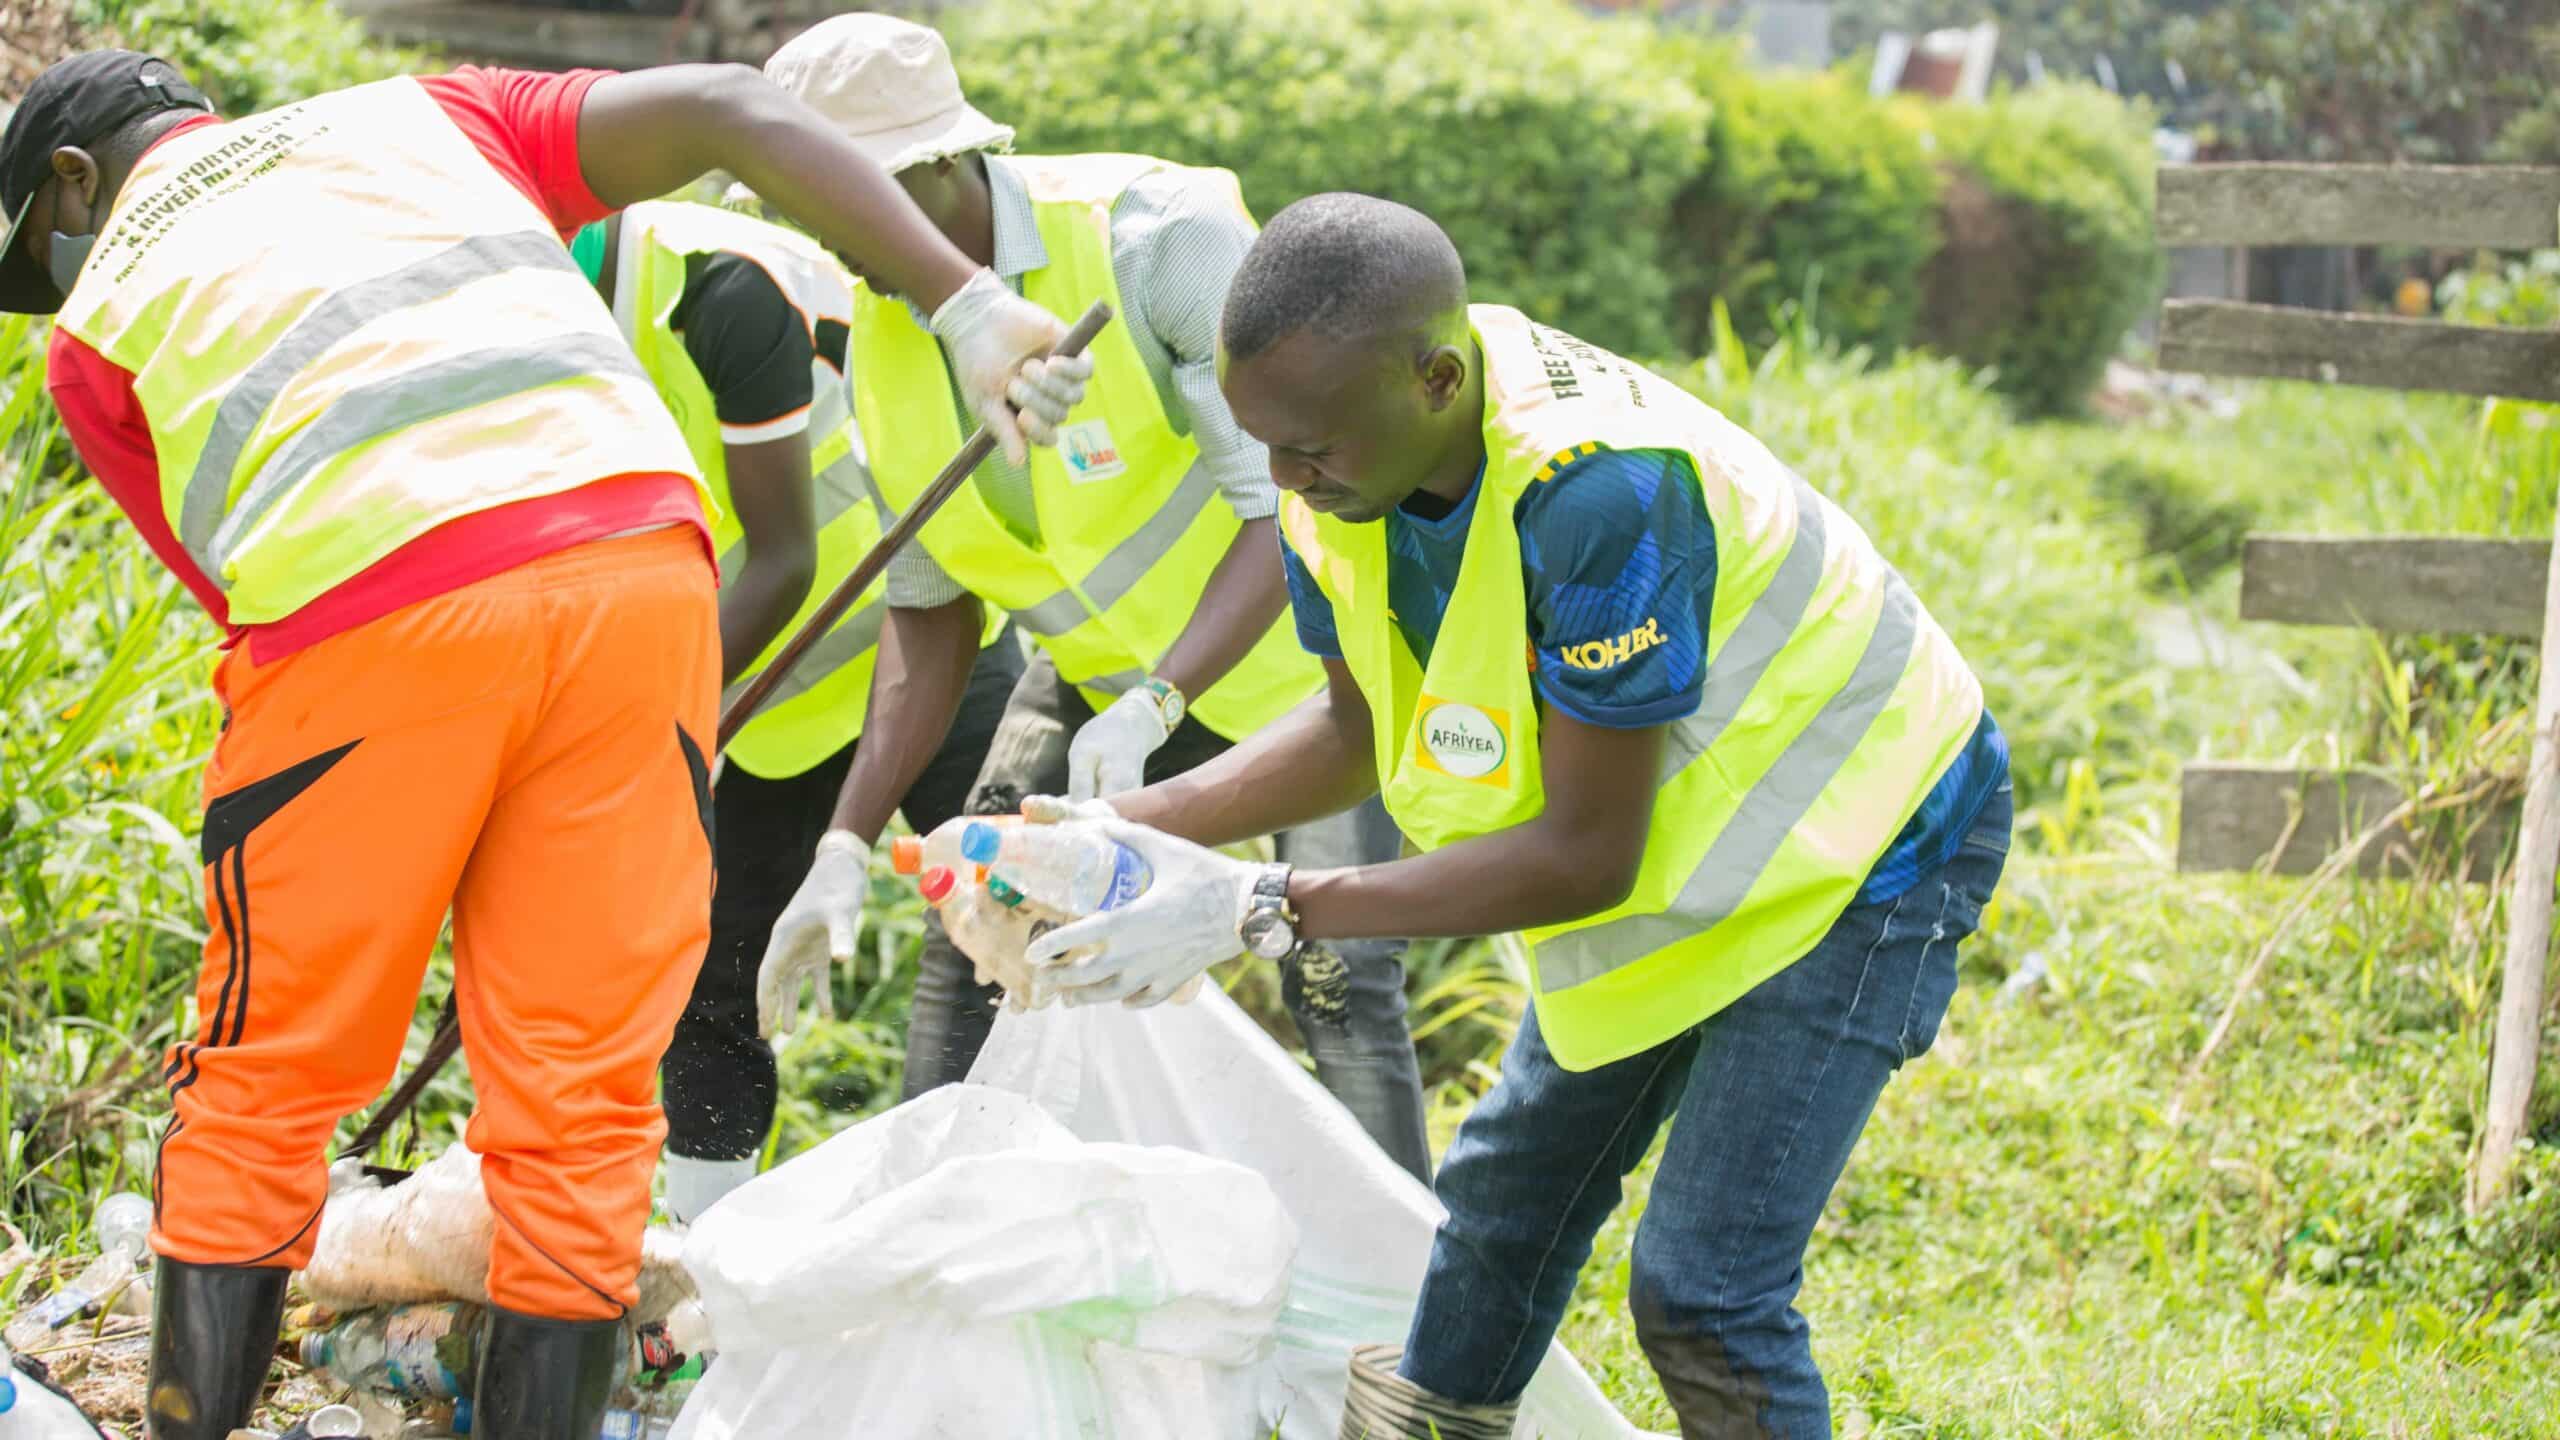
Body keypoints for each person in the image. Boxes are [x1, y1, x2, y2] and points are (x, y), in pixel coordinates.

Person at [0, 50, 1082, 1439]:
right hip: (642, 576)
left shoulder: (95, 331)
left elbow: (255, 620)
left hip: (367, 610)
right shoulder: (425, 115)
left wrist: (418, 827)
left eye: (39, 246)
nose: (58, 279)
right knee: (579, 1093)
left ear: (73, 177)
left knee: (262, 1078)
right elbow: (734, 108)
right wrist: (970, 303)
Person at [978, 195, 2014, 1440]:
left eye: (1308, 451)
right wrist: (1136, 830)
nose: (1284, 483)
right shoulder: (1339, 464)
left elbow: (1584, 856)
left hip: (1869, 848)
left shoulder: (1599, 490)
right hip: (1684, 838)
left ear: (1436, 379)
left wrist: (1261, 907)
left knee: (1703, 1295)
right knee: (1503, 1205)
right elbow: (1359, 729)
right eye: (1268, 447)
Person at [750, 13, 1433, 1180]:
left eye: (832, 202)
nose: (825, 239)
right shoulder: (876, 335)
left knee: (1333, 973)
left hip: (1319, 670)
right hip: (1104, 679)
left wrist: (1160, 704)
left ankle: (1423, 1313)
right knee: (982, 911)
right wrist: (846, 842)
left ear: (933, 169)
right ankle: (937, 1241)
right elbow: (929, 609)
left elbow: (1291, 508)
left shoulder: (1153, 242)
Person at [567, 201, 1023, 1222]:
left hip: (920, 650)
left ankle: (975, 1230)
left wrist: (657, 723)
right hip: (765, 714)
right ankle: (707, 1270)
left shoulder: (710, 284)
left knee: (1009, 935)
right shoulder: (544, 340)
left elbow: (785, 551)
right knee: (709, 980)